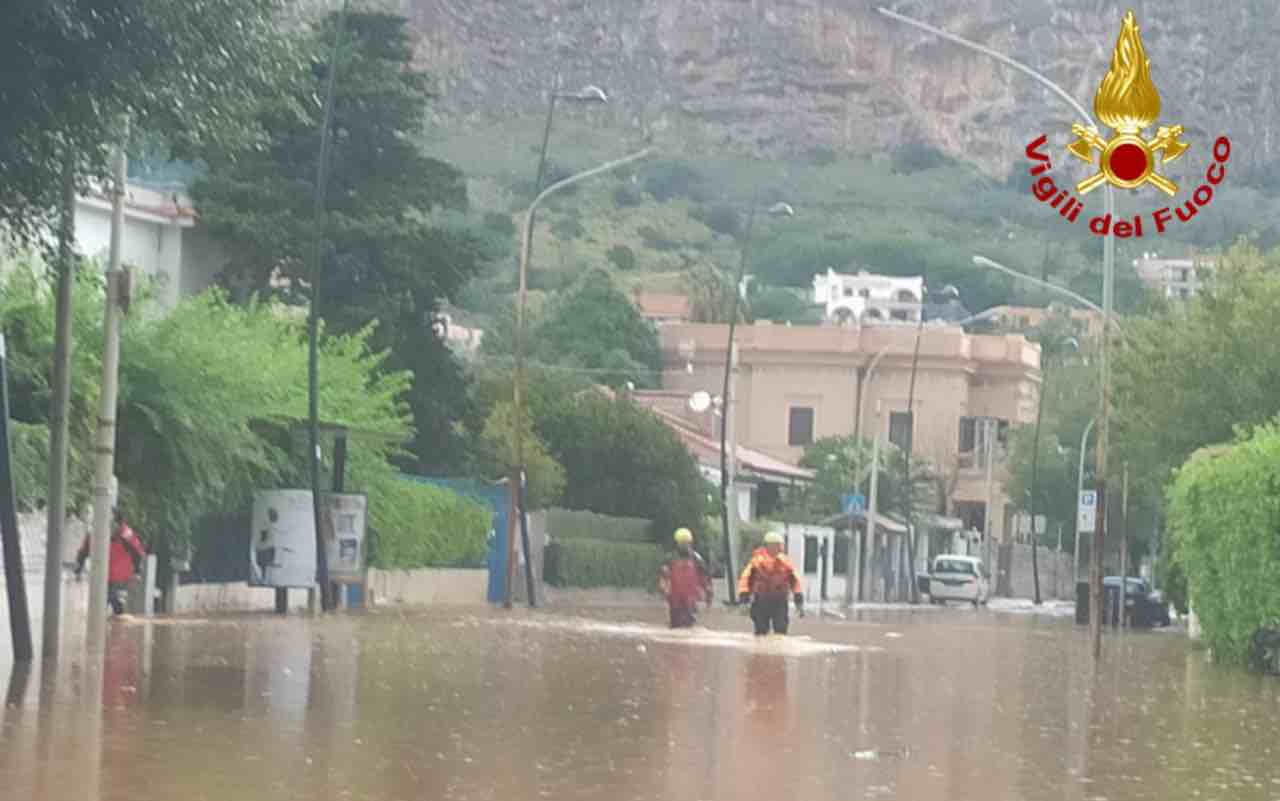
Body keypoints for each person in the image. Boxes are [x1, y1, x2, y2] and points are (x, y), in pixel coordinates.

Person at [75, 507, 147, 615]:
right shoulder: (94, 533)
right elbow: (84, 552)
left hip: (121, 577)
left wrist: (137, 572)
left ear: (117, 523)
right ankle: (104, 627)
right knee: (99, 607)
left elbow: (138, 553)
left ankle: (117, 625)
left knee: (114, 603)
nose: (107, 526)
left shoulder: (126, 535)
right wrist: (78, 570)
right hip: (102, 576)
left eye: (110, 522)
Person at [737, 531, 803, 636]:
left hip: (780, 600)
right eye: (778, 545)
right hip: (761, 600)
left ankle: (778, 651)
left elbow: (795, 582)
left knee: (781, 629)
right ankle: (760, 651)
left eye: (780, 545)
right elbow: (745, 581)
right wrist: (744, 600)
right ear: (770, 546)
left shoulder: (785, 562)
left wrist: (798, 601)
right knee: (761, 631)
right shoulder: (756, 562)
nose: (780, 547)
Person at [658, 527, 712, 628]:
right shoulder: (669, 559)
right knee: (675, 625)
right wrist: (663, 591)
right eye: (682, 543)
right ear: (677, 543)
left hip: (691, 599)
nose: (684, 545)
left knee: (689, 624)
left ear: (690, 543)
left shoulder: (697, 559)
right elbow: (663, 577)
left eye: (686, 543)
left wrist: (708, 595)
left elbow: (705, 578)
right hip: (674, 599)